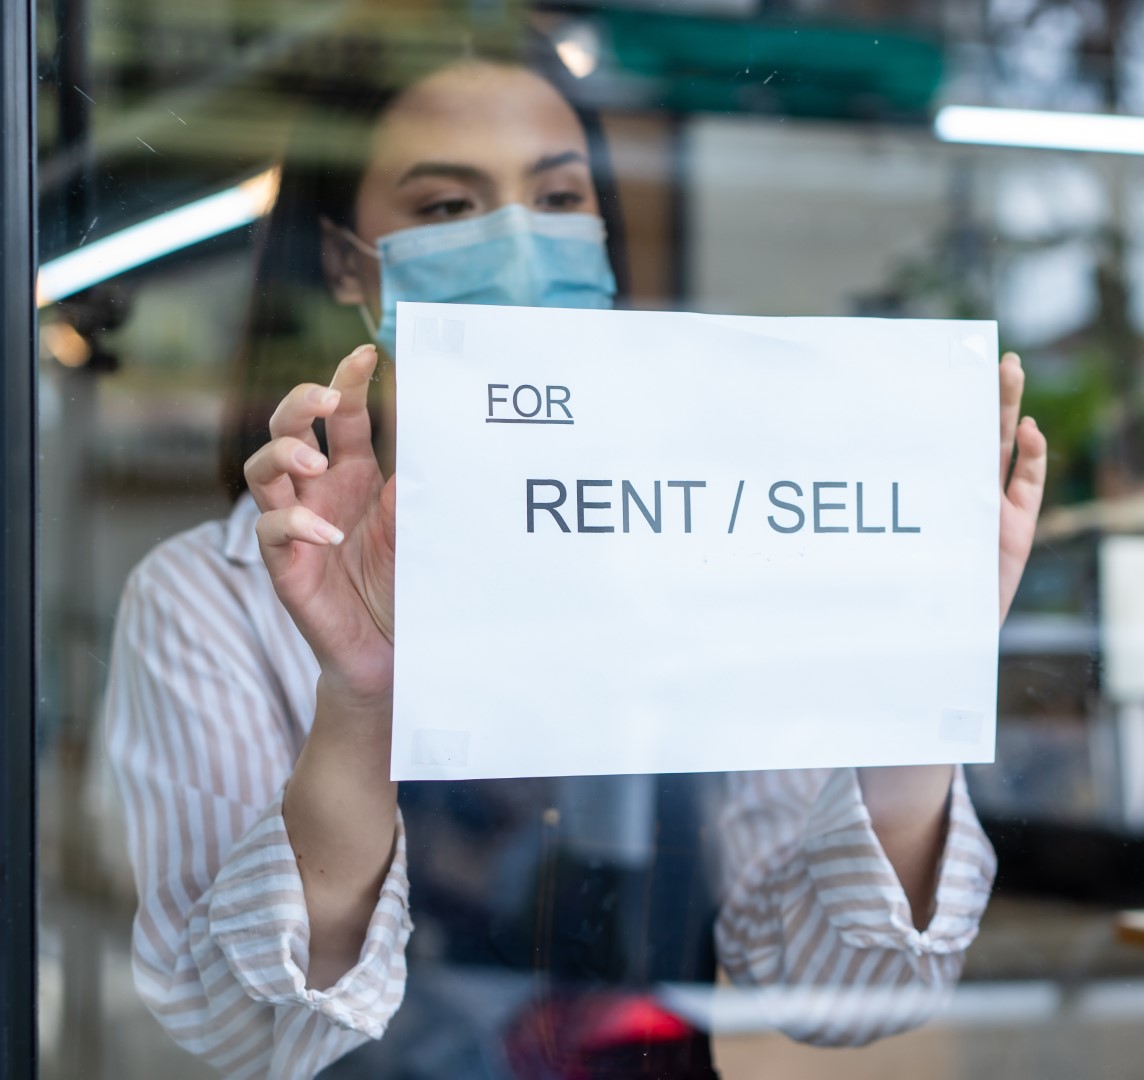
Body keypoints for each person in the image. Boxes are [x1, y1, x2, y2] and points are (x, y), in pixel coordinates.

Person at [104, 14, 1048, 1080]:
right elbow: (246, 1033)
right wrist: (362, 700)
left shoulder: (717, 539)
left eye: (558, 199)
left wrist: (921, 669)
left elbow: (847, 988)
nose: (517, 241)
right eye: (448, 206)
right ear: (342, 261)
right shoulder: (205, 596)